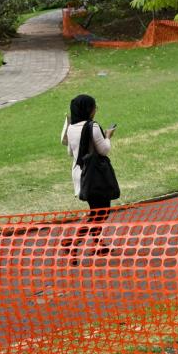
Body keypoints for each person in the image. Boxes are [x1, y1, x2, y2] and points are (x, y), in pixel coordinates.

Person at [60, 94, 116, 251]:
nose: (95, 110)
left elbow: (71, 153)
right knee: (100, 213)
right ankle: (72, 242)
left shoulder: (71, 128)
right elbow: (104, 150)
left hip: (80, 174)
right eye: (94, 107)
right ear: (88, 109)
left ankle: (97, 244)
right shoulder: (93, 126)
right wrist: (108, 136)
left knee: (96, 211)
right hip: (94, 174)